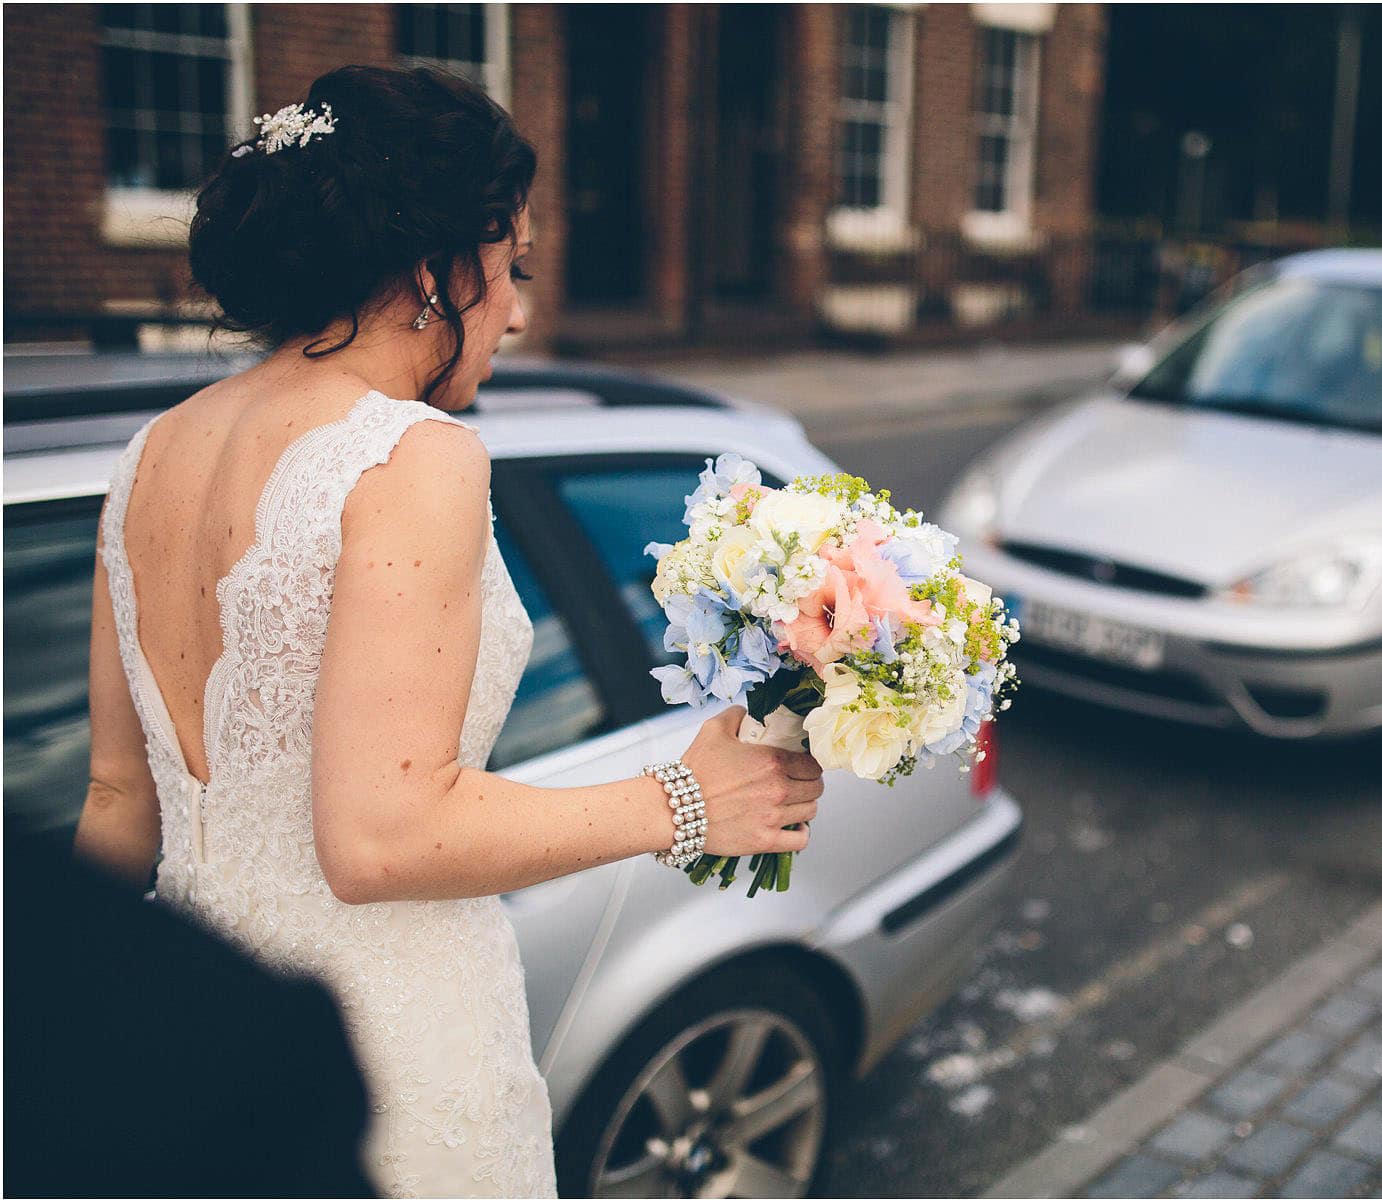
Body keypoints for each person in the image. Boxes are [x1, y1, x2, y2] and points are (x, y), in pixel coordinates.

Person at [74, 65, 823, 1198]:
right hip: (380, 1044)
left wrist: (58, 1021)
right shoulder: (413, 454)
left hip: (186, 1027)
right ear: (433, 272)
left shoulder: (148, 454)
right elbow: (378, 838)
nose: (519, 309)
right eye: (510, 265)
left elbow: (118, 798)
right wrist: (683, 801)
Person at [5, 828, 378, 1197]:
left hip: (169, 962)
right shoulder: (267, 1051)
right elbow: (357, 865)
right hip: (247, 1007)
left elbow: (114, 794)